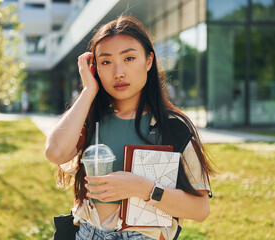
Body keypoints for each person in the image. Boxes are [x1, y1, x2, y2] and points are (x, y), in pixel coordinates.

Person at [45, 16, 214, 240]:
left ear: (148, 61)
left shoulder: (173, 127)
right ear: (95, 68)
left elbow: (200, 210)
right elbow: (55, 152)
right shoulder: (88, 119)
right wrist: (88, 92)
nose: (118, 72)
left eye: (129, 58)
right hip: (86, 233)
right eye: (106, 62)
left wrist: (143, 188)